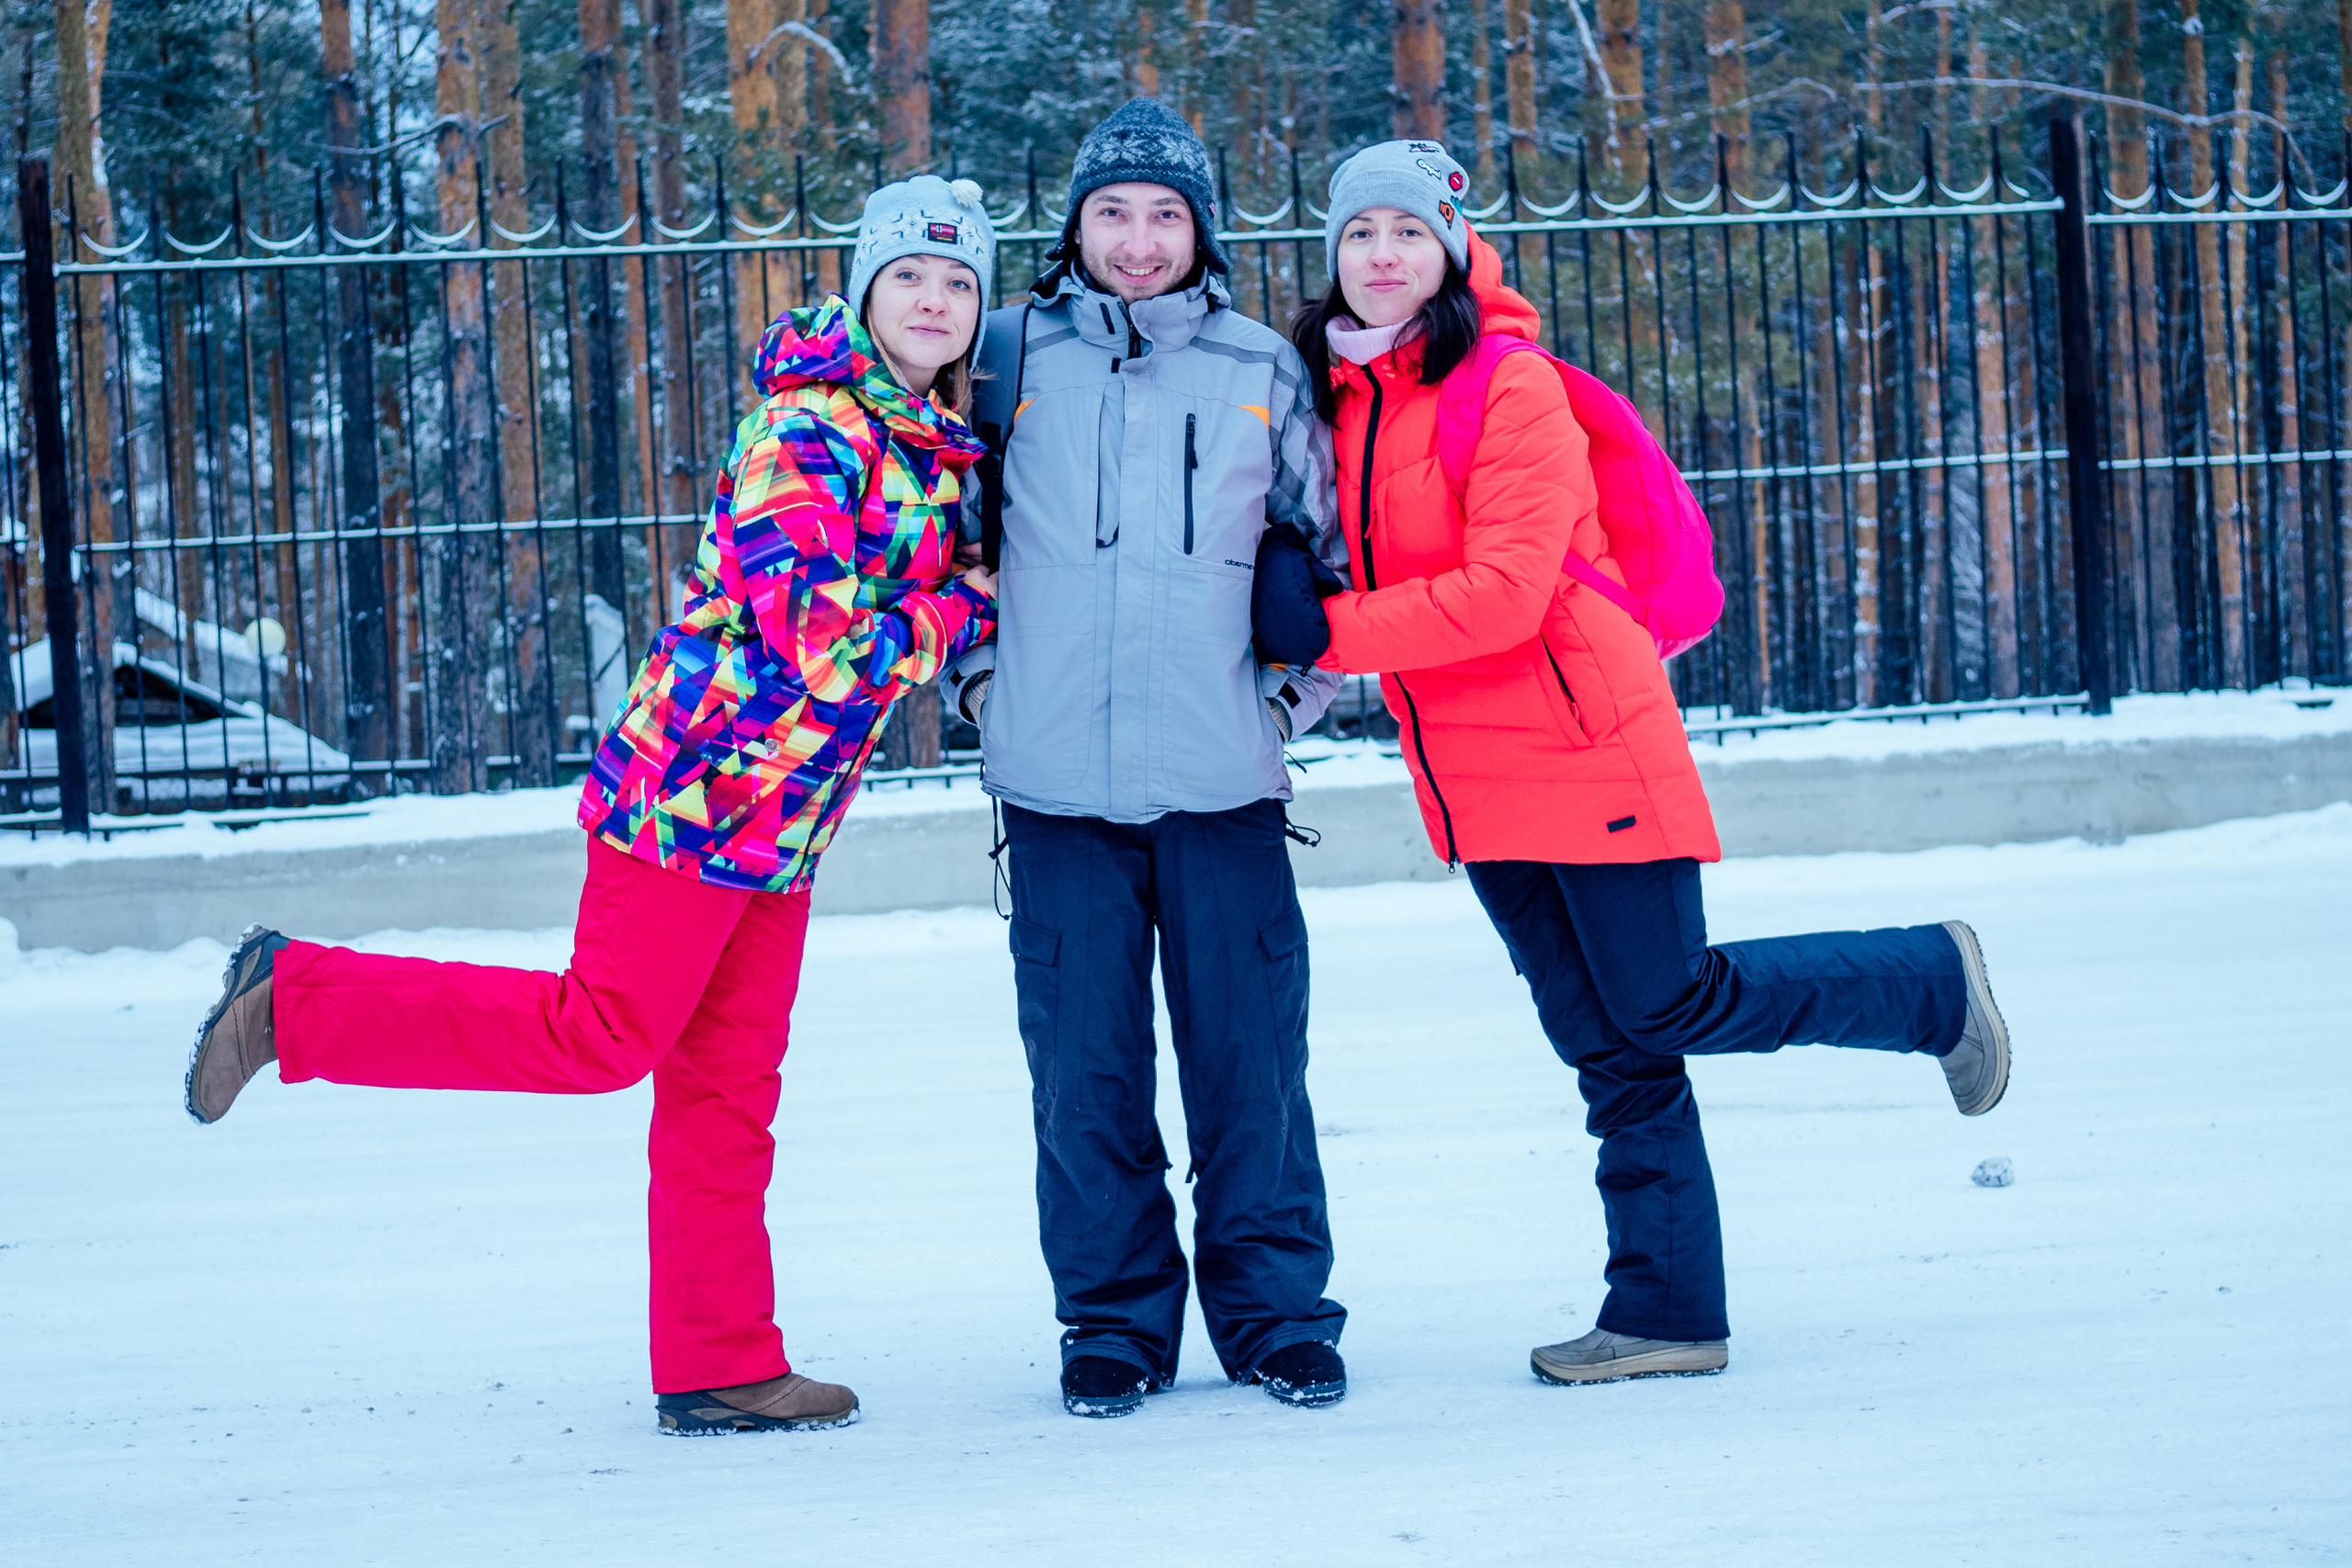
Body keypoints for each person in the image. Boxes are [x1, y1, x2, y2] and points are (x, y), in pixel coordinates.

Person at [181, 175, 1003, 1436]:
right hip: (696, 794)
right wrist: (958, 609)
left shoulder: (924, 443)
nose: (935, 301)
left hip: (783, 825)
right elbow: (819, 643)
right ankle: (294, 998)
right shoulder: (808, 430)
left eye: (958, 283)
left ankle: (721, 1362)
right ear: (863, 288)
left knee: (728, 1091)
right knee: (600, 1037)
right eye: (910, 276)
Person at [1295, 141, 2012, 1387]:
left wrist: (1322, 632)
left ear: (1453, 253)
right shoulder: (1344, 399)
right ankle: (1669, 1313)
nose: (1383, 254)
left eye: (1410, 231)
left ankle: (1928, 982)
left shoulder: (1505, 383)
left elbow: (1506, 593)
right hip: (1469, 771)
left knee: (1668, 1001)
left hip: (1582, 737)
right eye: (1360, 233)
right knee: (1609, 1047)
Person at [940, 97, 1352, 1417]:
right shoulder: (1004, 359)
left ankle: (1277, 1316)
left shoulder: (1261, 366)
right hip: (1055, 789)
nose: (1136, 238)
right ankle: (1113, 1325)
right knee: (1084, 1078)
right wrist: (984, 687)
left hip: (1225, 786)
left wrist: (1284, 710)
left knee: (1253, 1070)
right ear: (1075, 226)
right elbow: (939, 546)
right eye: (1111, 211)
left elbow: (1330, 560)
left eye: (1164, 213)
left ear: (1200, 229)